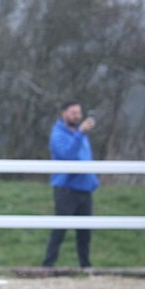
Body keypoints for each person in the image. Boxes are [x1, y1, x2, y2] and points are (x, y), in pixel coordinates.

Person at [42, 101, 98, 268]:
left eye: (78, 113)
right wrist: (80, 133)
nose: (77, 116)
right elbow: (68, 156)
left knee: (85, 232)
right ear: (63, 114)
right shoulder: (58, 135)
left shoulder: (81, 135)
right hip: (66, 188)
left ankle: (85, 266)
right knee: (60, 230)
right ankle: (48, 265)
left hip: (85, 188)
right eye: (73, 113)